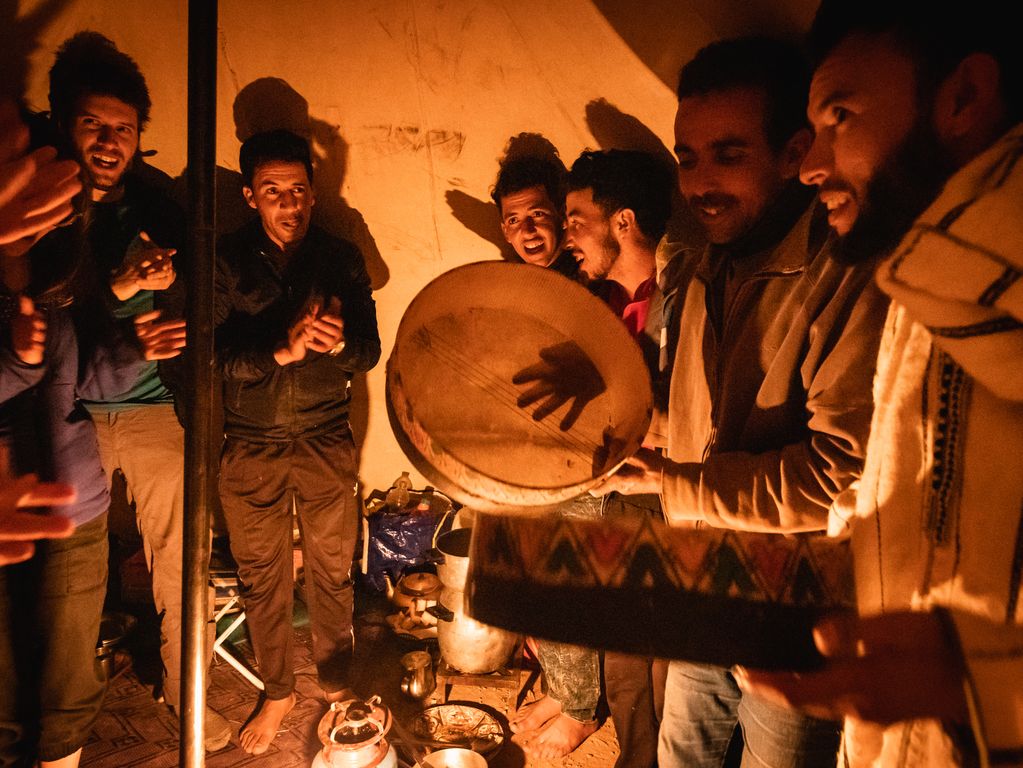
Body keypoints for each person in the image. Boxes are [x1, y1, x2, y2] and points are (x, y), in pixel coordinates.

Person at [735, 3, 1023, 766]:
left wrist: (979, 686)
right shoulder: (925, 279)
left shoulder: (994, 267)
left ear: (962, 97)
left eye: (841, 115)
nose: (809, 164)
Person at [600, 37, 890, 767]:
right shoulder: (702, 263)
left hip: (795, 616)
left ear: (794, 153)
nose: (699, 183)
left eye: (728, 155)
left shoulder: (846, 274)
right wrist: (644, 439)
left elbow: (838, 477)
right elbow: (712, 421)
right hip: (707, 583)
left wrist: (678, 484)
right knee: (681, 755)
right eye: (687, 157)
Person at [25, 32, 231, 751]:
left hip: (152, 408)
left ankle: (190, 697)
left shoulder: (159, 202)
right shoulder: (38, 203)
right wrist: (119, 287)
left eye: (125, 128)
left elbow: (216, 291)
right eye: (94, 124)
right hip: (70, 417)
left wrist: (177, 285)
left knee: (182, 561)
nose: (110, 142)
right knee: (70, 580)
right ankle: (63, 726)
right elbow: (46, 314)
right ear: (62, 122)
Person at [214, 128, 380, 755]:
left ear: (313, 194)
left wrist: (337, 342)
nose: (289, 205)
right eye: (273, 191)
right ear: (250, 194)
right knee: (263, 577)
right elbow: (212, 356)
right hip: (249, 442)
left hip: (324, 436)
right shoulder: (226, 259)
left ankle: (337, 683)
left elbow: (369, 351)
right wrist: (276, 351)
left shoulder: (339, 256)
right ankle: (279, 688)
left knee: (334, 572)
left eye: (299, 191)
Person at [513, 149, 673, 764]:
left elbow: (682, 418)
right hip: (613, 486)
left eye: (575, 219)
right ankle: (634, 754)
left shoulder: (683, 298)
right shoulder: (598, 299)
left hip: (667, 491)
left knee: (664, 661)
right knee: (622, 648)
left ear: (623, 222)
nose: (565, 234)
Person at [491, 151, 578, 276]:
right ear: (506, 232)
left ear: (563, 215)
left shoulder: (590, 277)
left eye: (537, 214)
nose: (528, 231)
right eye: (514, 220)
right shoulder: (511, 286)